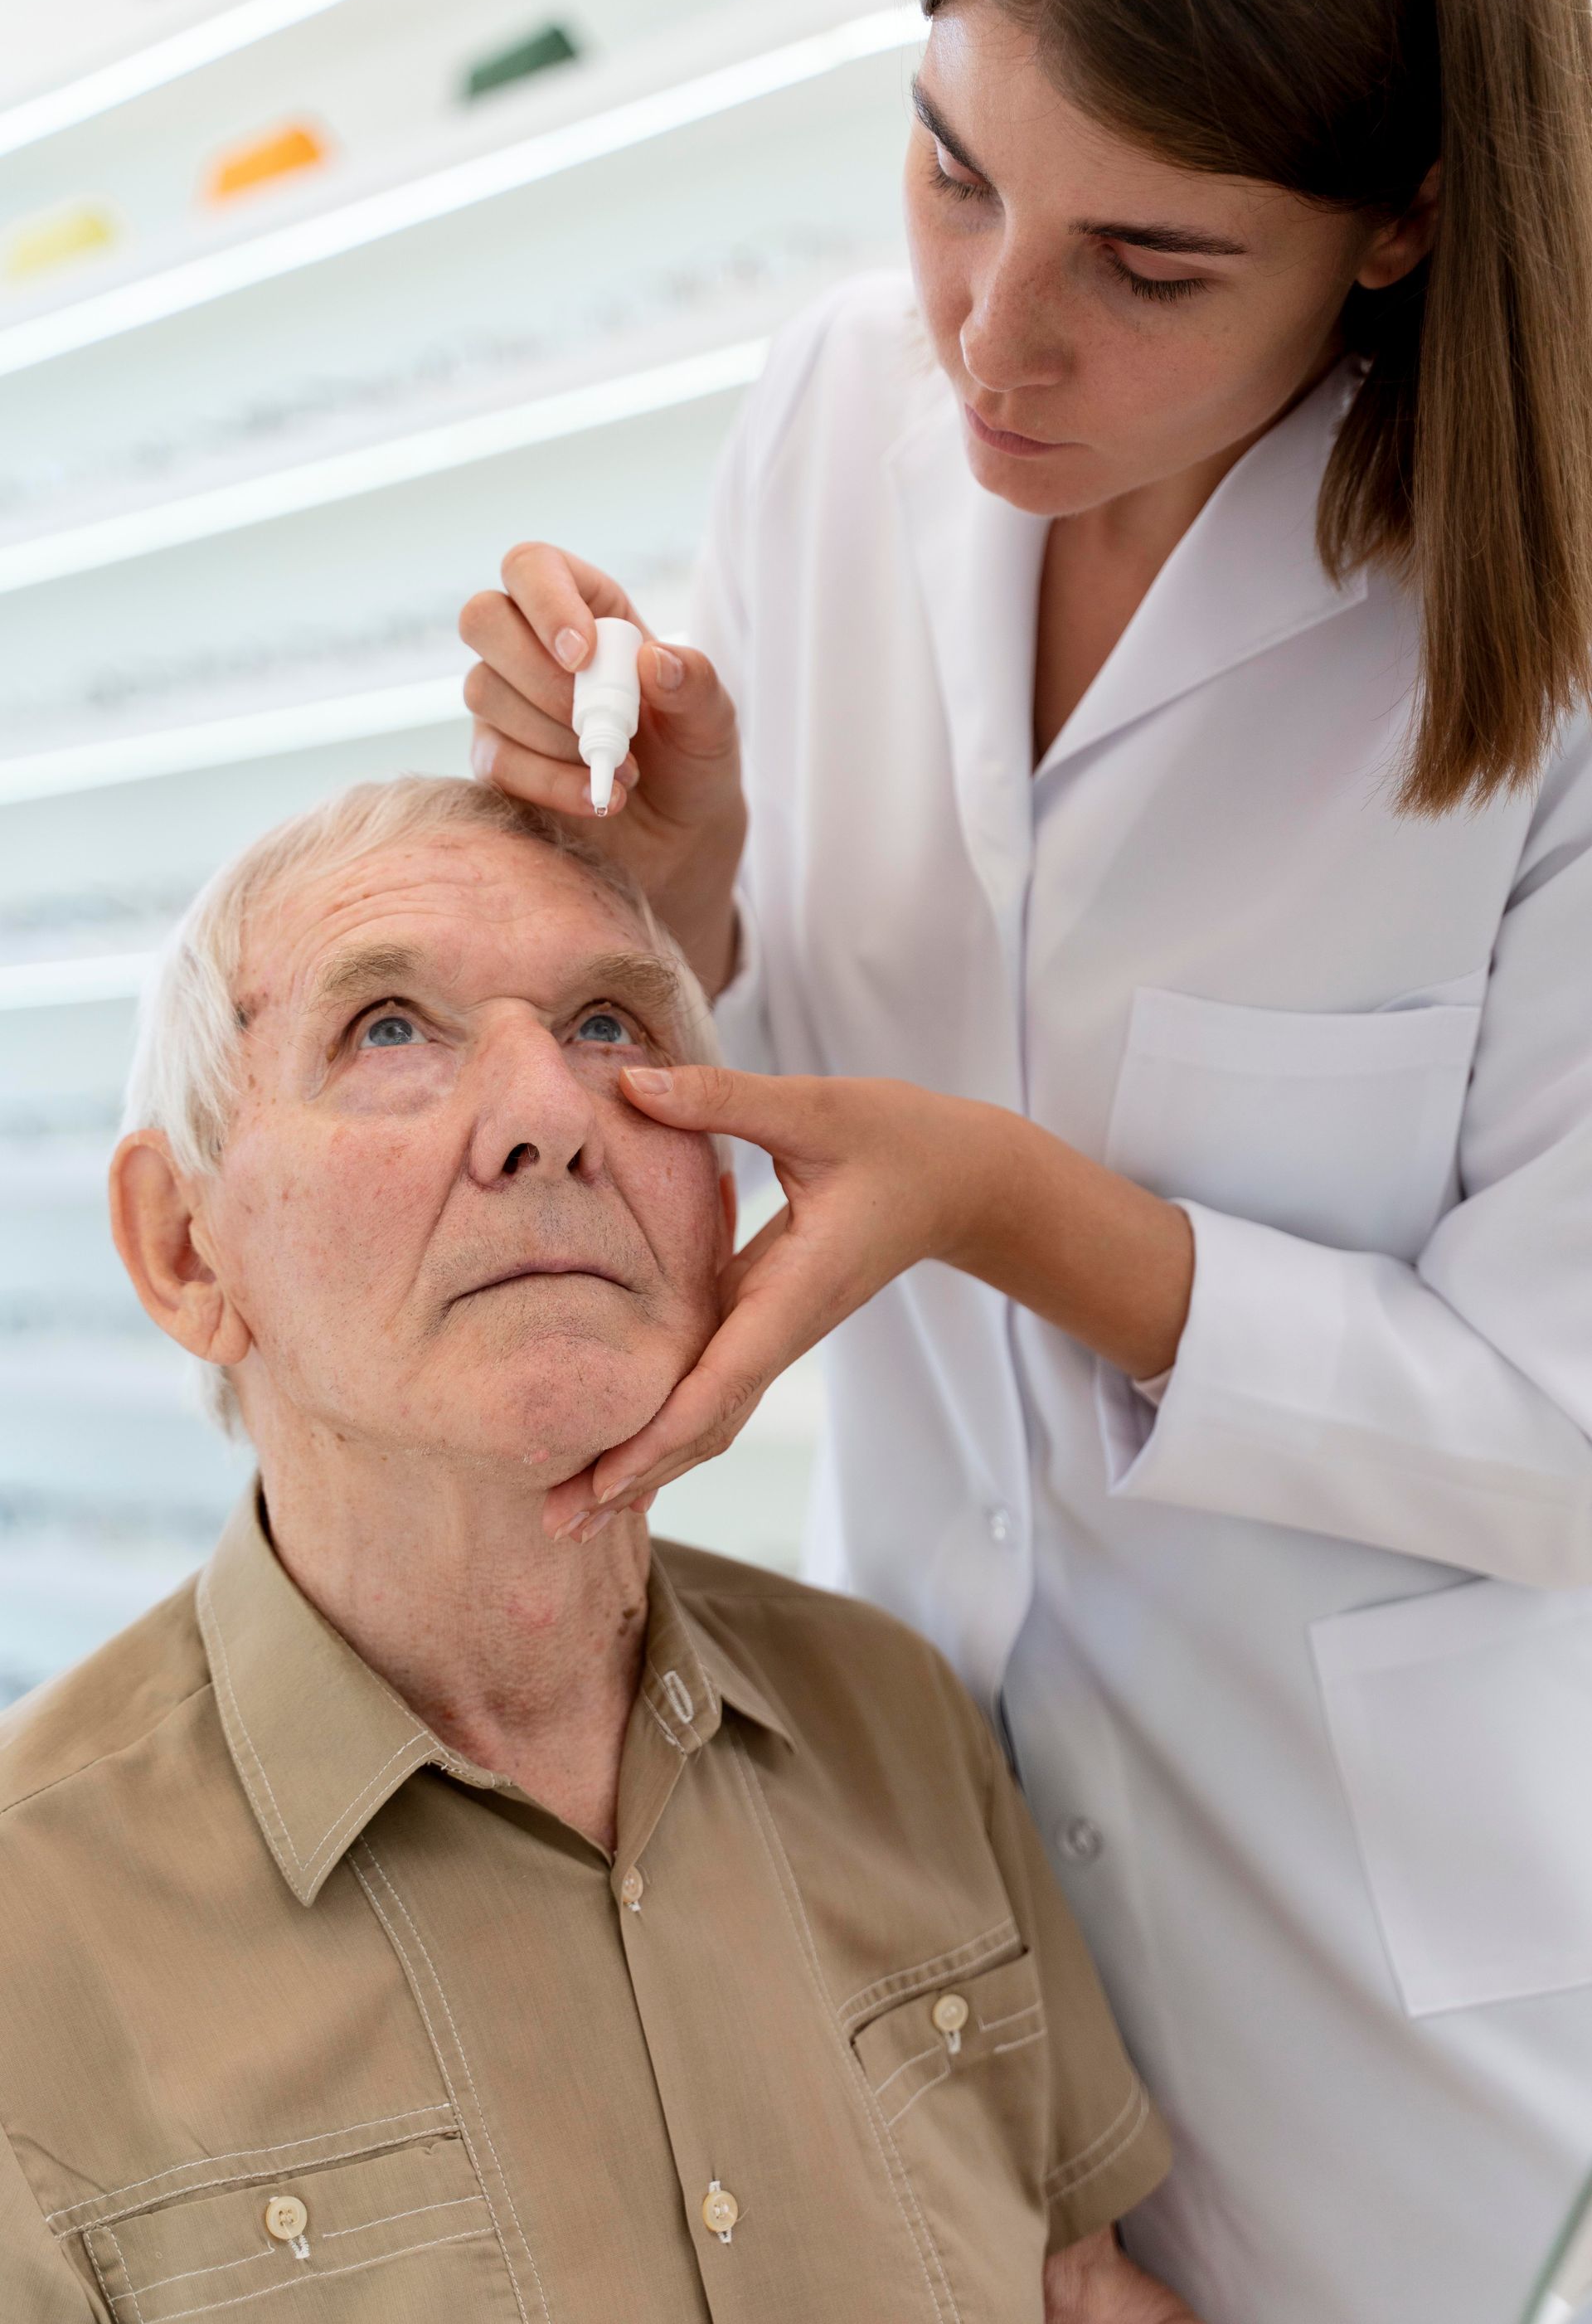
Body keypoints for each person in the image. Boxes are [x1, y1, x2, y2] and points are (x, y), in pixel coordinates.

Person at [459, 0, 1592, 2317]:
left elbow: (1557, 1434)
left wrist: (1007, 1210)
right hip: (914, 1863)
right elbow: (782, 1015)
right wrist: (674, 883)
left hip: (1377, 1967)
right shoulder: (833, 416)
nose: (993, 340)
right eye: (954, 175)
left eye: (1149, 263)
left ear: (1394, 222)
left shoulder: (1542, 625)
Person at [0, 778, 1189, 2324]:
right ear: (182, 1247)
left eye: (612, 1031)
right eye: (388, 1031)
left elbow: (1090, 2298)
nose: (550, 1116)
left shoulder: (901, 1722)